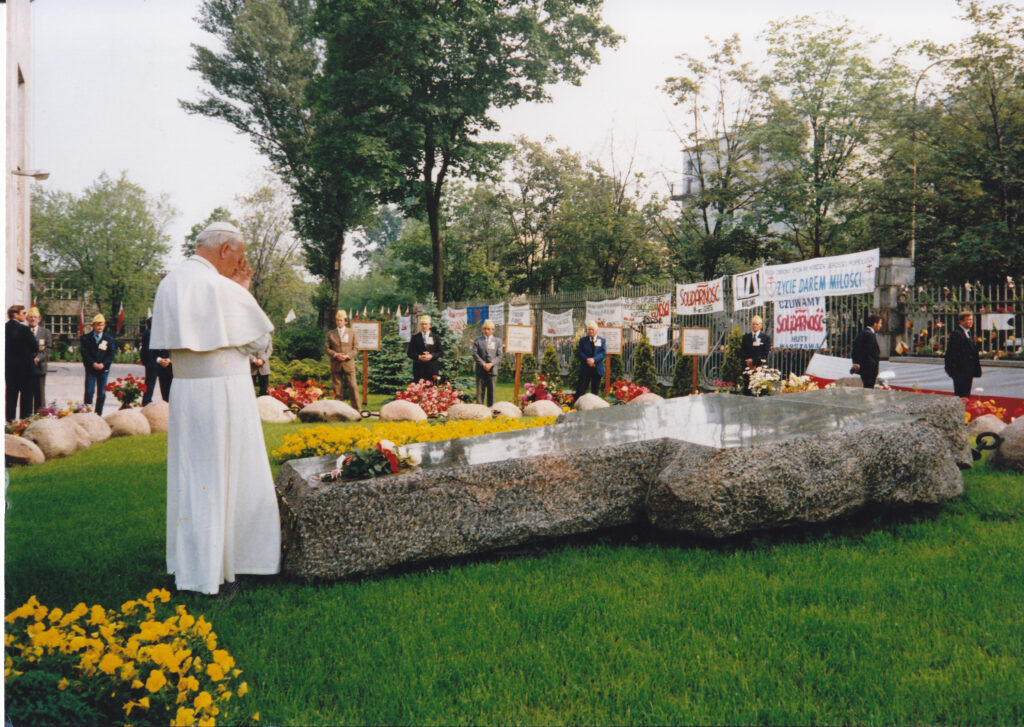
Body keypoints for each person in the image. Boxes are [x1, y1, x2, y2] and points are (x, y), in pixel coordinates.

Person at [151, 221, 279, 596]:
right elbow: (259, 341)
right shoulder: (221, 287)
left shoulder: (170, 281)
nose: (240, 265)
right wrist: (242, 290)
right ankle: (224, 567)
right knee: (227, 476)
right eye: (238, 257)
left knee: (194, 479)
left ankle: (195, 565)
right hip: (224, 391)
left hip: (187, 392)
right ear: (225, 250)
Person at [325, 310, 361, 411]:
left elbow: (356, 348)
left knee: (353, 386)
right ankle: (338, 410)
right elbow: (326, 348)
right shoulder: (330, 333)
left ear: (345, 321)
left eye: (341, 320)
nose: (339, 322)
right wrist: (336, 354)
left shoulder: (352, 332)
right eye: (337, 320)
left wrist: (347, 356)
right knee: (337, 389)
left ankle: (357, 410)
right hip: (336, 364)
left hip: (348, 364)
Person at [5, 305, 36, 421]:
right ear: (16, 314)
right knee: (27, 400)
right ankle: (24, 423)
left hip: (10, 370)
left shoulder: (4, 328)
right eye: (23, 313)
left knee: (11, 399)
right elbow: (35, 347)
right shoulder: (24, 329)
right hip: (26, 370)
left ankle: (10, 424)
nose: (25, 315)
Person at [81, 313, 115, 414]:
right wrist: (93, 363)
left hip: (103, 370)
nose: (100, 327)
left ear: (104, 326)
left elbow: (111, 354)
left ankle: (98, 414)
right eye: (97, 324)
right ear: (93, 325)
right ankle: (87, 413)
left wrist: (104, 364)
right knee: (89, 392)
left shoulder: (109, 339)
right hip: (91, 369)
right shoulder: (86, 338)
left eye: (102, 325)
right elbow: (85, 353)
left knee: (101, 393)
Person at [944, 311, 982, 398]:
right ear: (961, 321)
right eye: (968, 320)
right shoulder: (957, 334)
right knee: (961, 395)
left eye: (971, 319)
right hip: (960, 371)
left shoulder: (968, 333)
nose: (971, 322)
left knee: (966, 394)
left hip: (968, 370)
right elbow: (951, 353)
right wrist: (950, 368)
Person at [141, 317, 173, 405]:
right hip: (154, 362)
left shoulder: (168, 332)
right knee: (150, 385)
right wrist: (159, 360)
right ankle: (147, 404)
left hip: (166, 363)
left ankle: (166, 405)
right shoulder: (149, 332)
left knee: (166, 387)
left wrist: (169, 359)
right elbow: (147, 350)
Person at [472, 319, 503, 406]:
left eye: (489, 329)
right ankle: (479, 410)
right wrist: (483, 364)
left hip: (492, 370)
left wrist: (491, 363)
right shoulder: (478, 340)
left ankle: (491, 408)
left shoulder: (498, 341)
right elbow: (474, 353)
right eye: (485, 328)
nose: (487, 331)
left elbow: (499, 355)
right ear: (482, 329)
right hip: (480, 370)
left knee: (491, 391)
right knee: (480, 391)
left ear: (493, 330)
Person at [26, 307, 52, 413]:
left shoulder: (45, 332)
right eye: (31, 317)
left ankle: (40, 416)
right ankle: (27, 418)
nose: (33, 319)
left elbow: (48, 347)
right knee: (27, 394)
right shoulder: (23, 331)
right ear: (27, 318)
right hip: (26, 367)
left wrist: (38, 358)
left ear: (39, 319)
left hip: (40, 366)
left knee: (40, 394)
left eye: (35, 317)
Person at [738, 315, 772, 395]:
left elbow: (765, 353)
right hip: (747, 368)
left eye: (757, 324)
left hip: (759, 367)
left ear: (761, 325)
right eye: (753, 324)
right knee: (747, 391)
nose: (755, 326)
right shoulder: (745, 337)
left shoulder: (766, 338)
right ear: (751, 325)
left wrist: (754, 361)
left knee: (760, 391)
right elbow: (742, 351)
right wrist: (748, 362)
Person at [574, 320, 606, 400]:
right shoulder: (583, 340)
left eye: (592, 329)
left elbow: (603, 353)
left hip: (597, 368)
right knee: (581, 390)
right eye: (589, 329)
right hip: (585, 368)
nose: (590, 331)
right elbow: (579, 352)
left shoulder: (602, 340)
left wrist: (594, 360)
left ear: (597, 330)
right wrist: (588, 360)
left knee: (595, 391)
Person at [850, 314, 883, 389]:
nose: (880, 325)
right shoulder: (868, 334)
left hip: (868, 368)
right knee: (868, 389)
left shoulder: (866, 333)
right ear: (875, 324)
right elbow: (864, 352)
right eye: (880, 323)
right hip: (869, 369)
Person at [407, 314, 443, 384]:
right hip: (419, 368)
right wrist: (418, 357)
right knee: (419, 390)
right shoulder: (415, 337)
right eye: (422, 324)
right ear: (420, 325)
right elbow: (410, 353)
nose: (424, 326)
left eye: (426, 324)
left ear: (430, 325)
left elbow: (440, 352)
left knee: (432, 390)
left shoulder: (435, 337)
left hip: (432, 368)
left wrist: (432, 356)